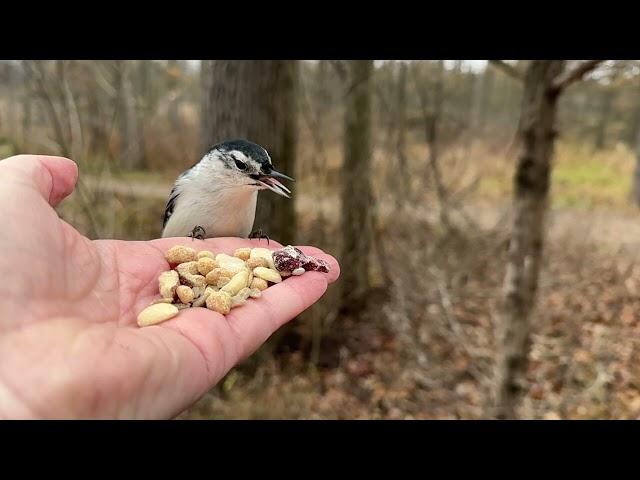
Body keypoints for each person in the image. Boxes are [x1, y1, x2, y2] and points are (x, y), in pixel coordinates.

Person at [0, 155, 339, 419]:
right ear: (217, 162)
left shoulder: (248, 192)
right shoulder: (191, 182)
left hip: (222, 268)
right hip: (181, 256)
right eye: (243, 167)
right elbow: (170, 231)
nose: (258, 176)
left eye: (262, 171)